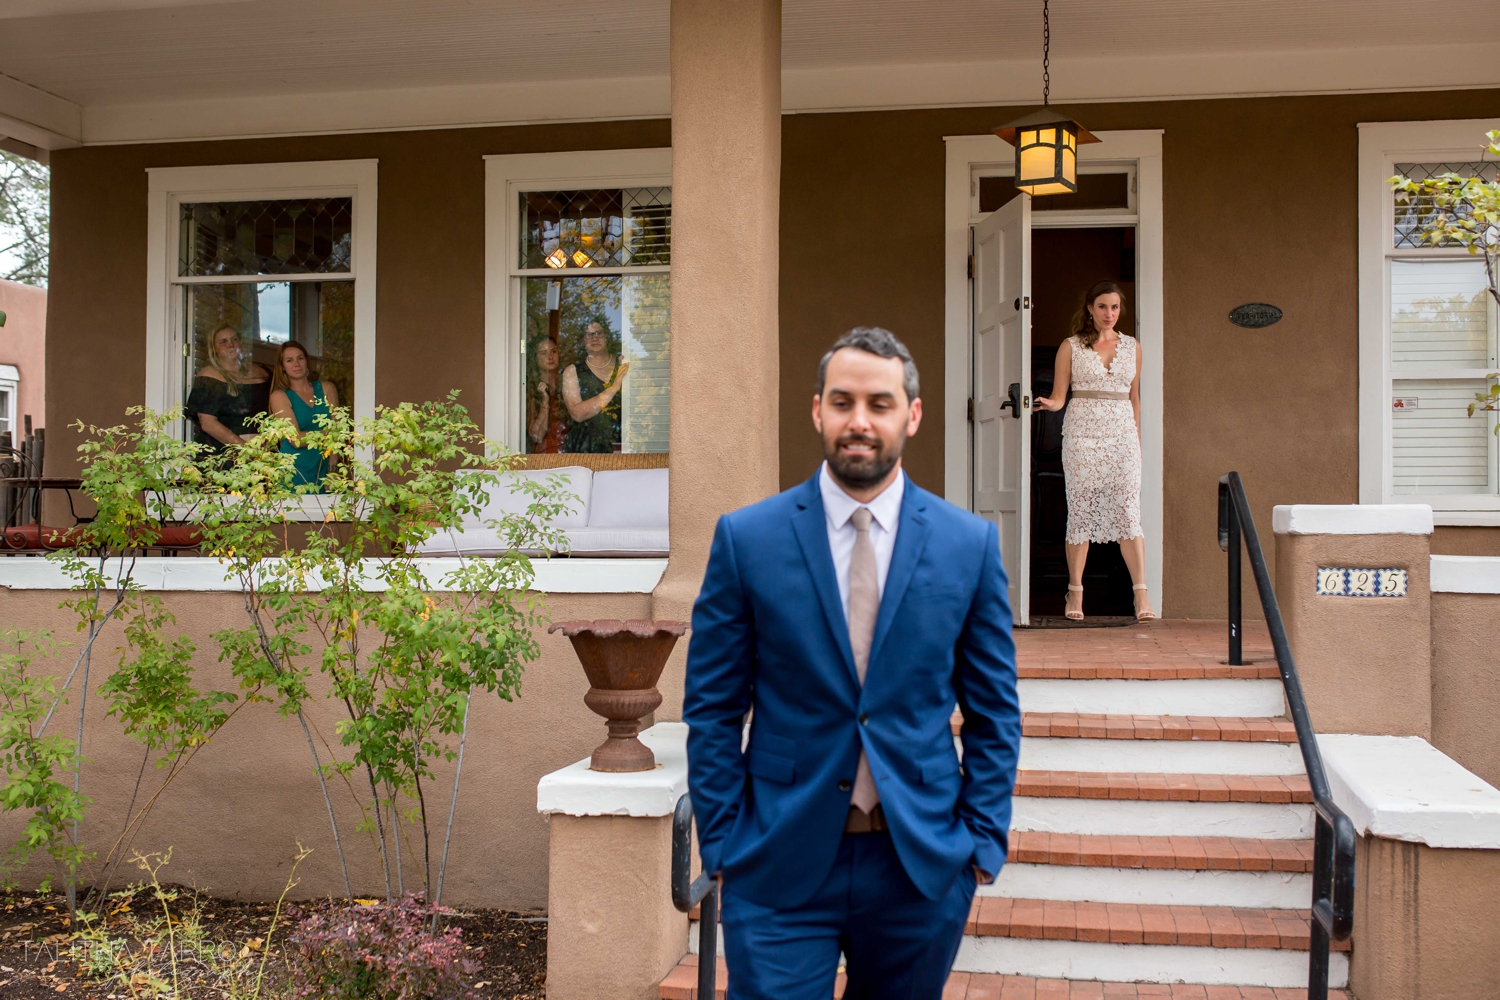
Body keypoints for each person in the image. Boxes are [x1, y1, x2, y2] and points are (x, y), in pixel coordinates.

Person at [684, 327, 1021, 1000]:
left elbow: (994, 711)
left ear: (912, 415)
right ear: (817, 410)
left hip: (918, 865)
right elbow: (713, 708)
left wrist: (980, 845)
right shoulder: (746, 539)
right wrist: (722, 844)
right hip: (776, 858)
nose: (859, 421)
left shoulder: (968, 545)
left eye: (879, 402)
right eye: (842, 402)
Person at [1034, 280, 1156, 622]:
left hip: (1122, 438)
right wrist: (1045, 403)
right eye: (1102, 306)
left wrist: (1136, 441)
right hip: (1082, 436)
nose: (1109, 314)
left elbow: (1134, 398)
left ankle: (1141, 595)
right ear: (1090, 308)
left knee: (1129, 512)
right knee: (1081, 511)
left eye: (1115, 307)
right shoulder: (1070, 346)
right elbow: (1061, 396)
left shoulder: (1133, 347)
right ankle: (1075, 592)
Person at [186, 326, 271, 453]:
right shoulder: (208, 377)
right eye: (223, 342)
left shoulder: (261, 373)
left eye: (234, 339)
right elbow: (208, 423)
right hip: (225, 455)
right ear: (214, 348)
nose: (231, 345)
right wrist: (245, 449)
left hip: (263, 452)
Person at [267, 340, 337, 490]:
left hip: (324, 468)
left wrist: (333, 468)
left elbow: (339, 431)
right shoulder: (279, 396)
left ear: (307, 361)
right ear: (282, 367)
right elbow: (296, 439)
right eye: (289, 360)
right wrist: (330, 435)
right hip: (293, 471)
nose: (296, 364)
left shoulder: (327, 389)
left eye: (300, 358)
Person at [561, 321, 628, 452]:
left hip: (623, 445)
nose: (595, 338)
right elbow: (577, 413)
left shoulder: (623, 363)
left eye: (599, 333)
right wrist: (614, 387)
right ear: (583, 341)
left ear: (606, 337)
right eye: (589, 334)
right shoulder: (573, 371)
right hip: (585, 449)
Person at [527, 337, 567, 453]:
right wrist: (545, 401)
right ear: (535, 358)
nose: (550, 357)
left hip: (569, 452)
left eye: (553, 351)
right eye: (543, 353)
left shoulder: (567, 384)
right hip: (543, 456)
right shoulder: (531, 390)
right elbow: (537, 436)